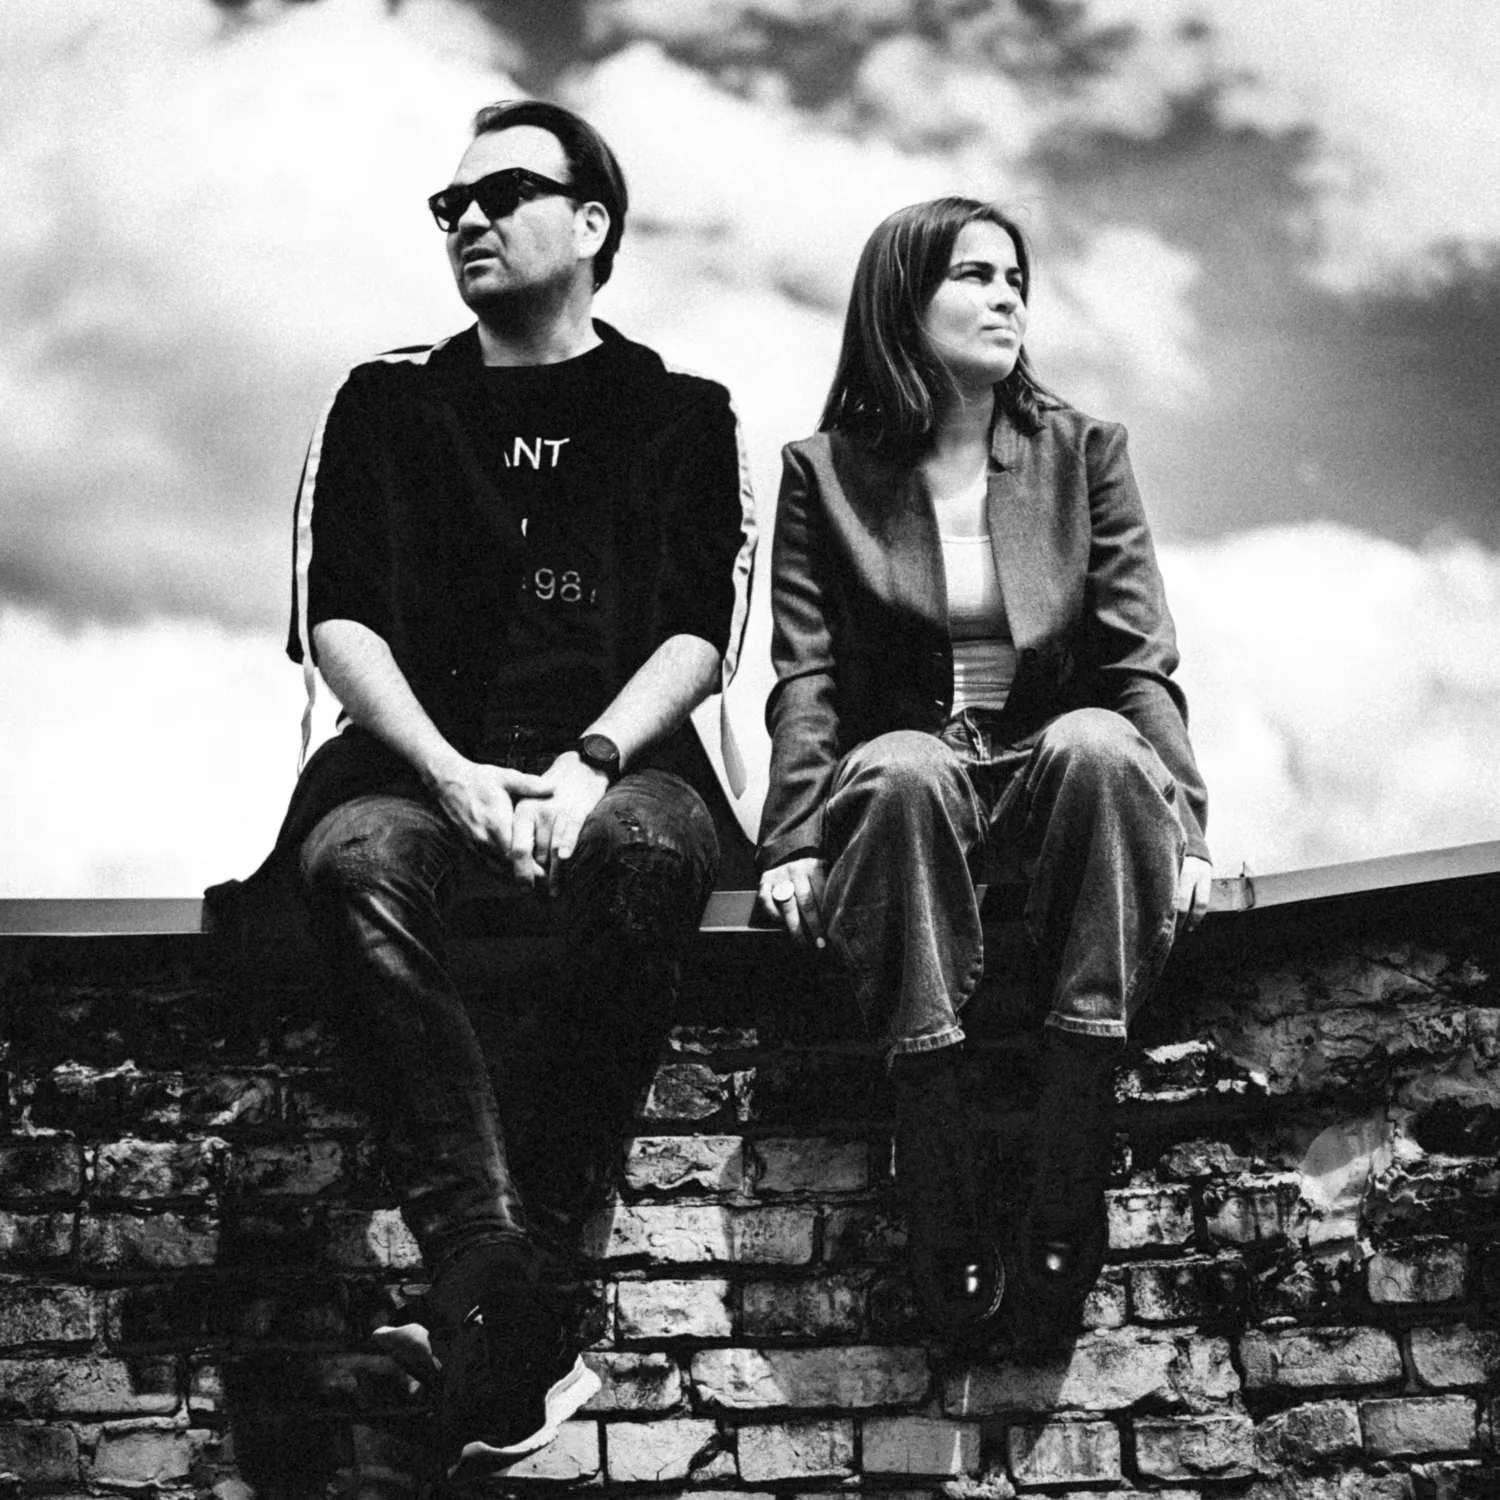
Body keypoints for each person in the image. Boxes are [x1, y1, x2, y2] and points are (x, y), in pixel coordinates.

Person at [267, 100, 754, 1476]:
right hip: (415, 762)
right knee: (355, 863)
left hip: (622, 762)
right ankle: (508, 1286)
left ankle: (494, 1297)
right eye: (451, 205)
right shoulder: (388, 404)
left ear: (592, 224)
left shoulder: (681, 413)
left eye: (503, 194)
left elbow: (697, 633)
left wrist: (590, 763)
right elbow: (340, 620)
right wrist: (446, 770)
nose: (468, 220)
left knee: (652, 859)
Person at [755, 197, 1210, 1346]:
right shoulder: (823, 472)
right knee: (899, 771)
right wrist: (794, 836)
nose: (1007, 296)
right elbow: (807, 673)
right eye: (974, 275)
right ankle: (938, 1147)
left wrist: (1189, 824)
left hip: (1051, 772)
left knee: (1098, 742)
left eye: (1016, 278)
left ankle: (1073, 1131)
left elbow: (1136, 659)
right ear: (902, 300)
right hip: (917, 780)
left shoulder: (1083, 451)